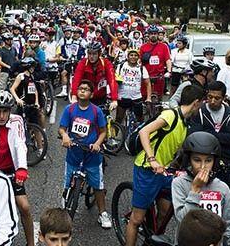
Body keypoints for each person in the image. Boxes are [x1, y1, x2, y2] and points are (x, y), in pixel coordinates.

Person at [125, 85, 205, 246]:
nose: (202, 107)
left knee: (165, 212)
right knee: (136, 219)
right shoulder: (170, 115)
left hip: (165, 173)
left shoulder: (185, 124)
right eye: (202, 103)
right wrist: (152, 159)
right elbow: (144, 132)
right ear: (196, 102)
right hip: (147, 170)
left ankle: (152, 241)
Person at [0, 91, 34, 246]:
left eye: (5, 111)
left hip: (11, 170)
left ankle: (31, 243)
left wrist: (22, 169)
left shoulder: (17, 120)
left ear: (10, 110)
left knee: (24, 206)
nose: (2, 116)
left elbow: (20, 144)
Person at [171, 132, 230, 246]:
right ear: (189, 160)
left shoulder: (222, 188)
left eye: (208, 161)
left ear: (214, 162)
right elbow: (182, 221)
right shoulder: (179, 184)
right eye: (197, 160)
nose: (202, 166)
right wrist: (195, 190)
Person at [59, 79, 112, 229]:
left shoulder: (96, 111)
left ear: (91, 93)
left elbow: (103, 132)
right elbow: (62, 128)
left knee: (97, 185)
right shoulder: (69, 109)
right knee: (67, 182)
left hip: (92, 155)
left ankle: (102, 213)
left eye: (86, 89)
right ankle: (65, 204)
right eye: (80, 88)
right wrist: (65, 136)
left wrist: (97, 144)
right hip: (74, 153)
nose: (82, 91)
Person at [189, 81, 230, 202]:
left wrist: (208, 134)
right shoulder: (199, 112)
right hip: (203, 158)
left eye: (217, 98)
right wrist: (220, 137)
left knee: (227, 196)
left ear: (224, 98)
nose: (212, 101)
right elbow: (194, 137)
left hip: (224, 159)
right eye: (210, 97)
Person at [70, 42, 118, 109]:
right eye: (89, 54)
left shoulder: (106, 63)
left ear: (99, 54)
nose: (91, 56)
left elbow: (112, 80)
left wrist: (114, 99)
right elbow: (76, 80)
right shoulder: (83, 63)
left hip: (101, 97)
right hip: (86, 96)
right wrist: (74, 96)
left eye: (94, 54)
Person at [115, 49, 151, 124]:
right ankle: (114, 136)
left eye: (135, 55)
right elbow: (115, 81)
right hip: (122, 97)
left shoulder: (141, 68)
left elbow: (148, 84)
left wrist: (148, 98)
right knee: (118, 119)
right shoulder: (121, 66)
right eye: (131, 55)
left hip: (136, 97)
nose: (133, 57)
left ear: (138, 57)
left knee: (140, 121)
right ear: (127, 56)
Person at [139, 25, 172, 98]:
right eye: (151, 33)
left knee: (159, 97)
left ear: (157, 34)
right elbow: (139, 61)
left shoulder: (163, 46)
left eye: (155, 33)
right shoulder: (143, 47)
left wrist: (169, 71)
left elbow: (168, 60)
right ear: (148, 35)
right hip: (146, 76)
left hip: (159, 76)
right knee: (145, 96)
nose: (153, 35)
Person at [56, 28, 86, 98]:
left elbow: (87, 50)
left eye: (77, 33)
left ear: (80, 34)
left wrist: (83, 59)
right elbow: (67, 49)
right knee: (64, 73)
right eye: (74, 33)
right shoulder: (70, 41)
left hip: (79, 61)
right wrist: (64, 57)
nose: (75, 34)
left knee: (80, 75)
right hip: (70, 61)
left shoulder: (82, 41)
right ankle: (64, 91)